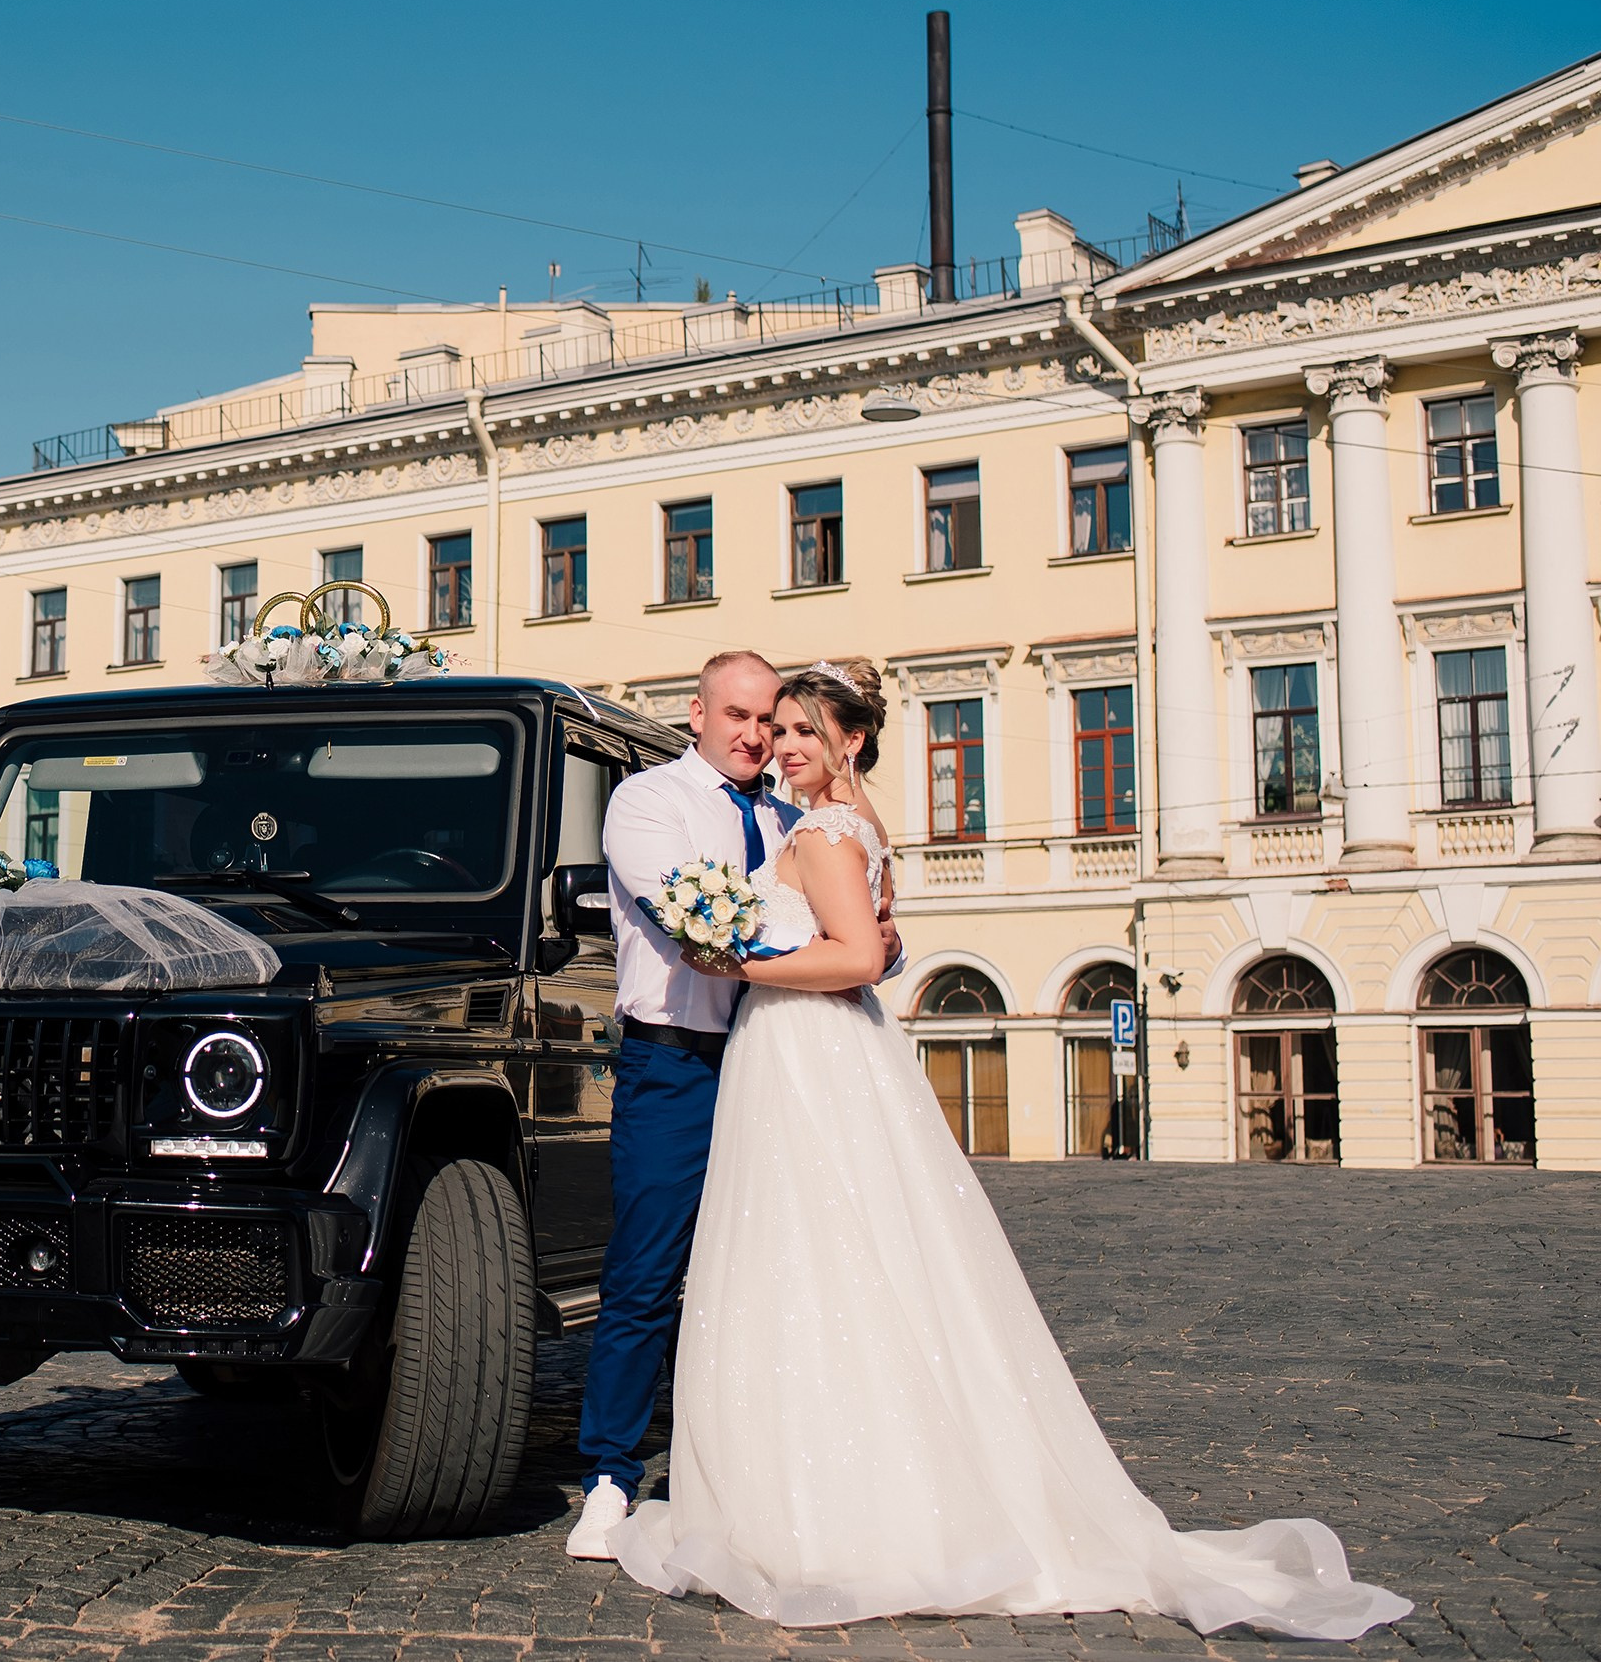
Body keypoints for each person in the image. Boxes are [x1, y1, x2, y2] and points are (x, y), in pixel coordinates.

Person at [604, 659, 1411, 1641]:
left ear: (847, 741)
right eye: (767, 724)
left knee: (815, 1254)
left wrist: (741, 953)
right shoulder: (720, 808)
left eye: (798, 728)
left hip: (796, 1046)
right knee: (795, 1257)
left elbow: (858, 949)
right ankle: (676, 1466)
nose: (777, 742)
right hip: (761, 1053)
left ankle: (821, 1491)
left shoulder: (808, 824)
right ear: (702, 714)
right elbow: (867, 935)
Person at [565, 649, 896, 1559]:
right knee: (647, 1271)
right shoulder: (648, 803)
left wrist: (874, 942)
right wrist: (848, 946)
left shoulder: (797, 812)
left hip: (781, 1060)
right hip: (676, 1062)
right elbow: (690, 918)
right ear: (698, 710)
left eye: (774, 721)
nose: (758, 735)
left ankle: (762, 1466)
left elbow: (851, 926)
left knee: (774, 1269)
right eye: (742, 716)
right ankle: (609, 1476)